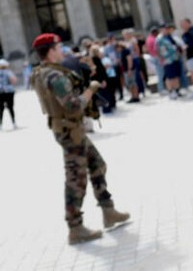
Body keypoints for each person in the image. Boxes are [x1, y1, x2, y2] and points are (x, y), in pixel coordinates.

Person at [30, 34, 131, 244]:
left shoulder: (43, 72)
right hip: (70, 132)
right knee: (76, 180)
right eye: (58, 47)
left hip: (69, 129)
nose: (62, 50)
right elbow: (73, 105)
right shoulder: (54, 76)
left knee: (97, 164)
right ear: (50, 50)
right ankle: (75, 227)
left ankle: (108, 210)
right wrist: (90, 89)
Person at [0, 59, 17, 130]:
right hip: (9, 92)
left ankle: (0, 125)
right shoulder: (8, 72)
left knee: (0, 109)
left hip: (0, 92)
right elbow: (14, 80)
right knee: (11, 107)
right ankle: (14, 123)